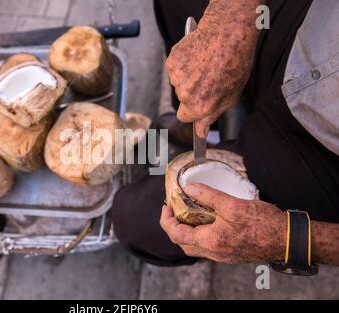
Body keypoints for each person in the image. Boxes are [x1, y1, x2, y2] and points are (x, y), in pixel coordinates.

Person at [111, 0, 339, 271]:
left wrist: (290, 239)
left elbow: (292, 240)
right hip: (315, 32)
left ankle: (226, 133)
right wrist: (232, 18)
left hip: (322, 152)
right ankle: (210, 124)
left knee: (135, 220)